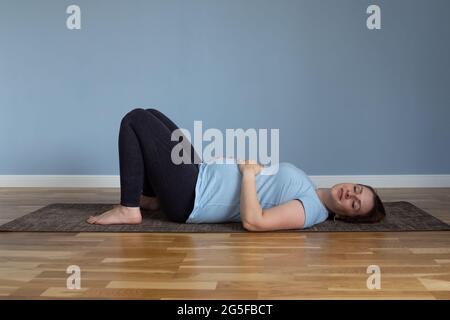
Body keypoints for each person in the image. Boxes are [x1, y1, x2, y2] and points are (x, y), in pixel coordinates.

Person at [87, 108, 386, 231]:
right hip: (200, 175)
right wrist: (238, 168)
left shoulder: (311, 211)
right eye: (356, 189)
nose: (350, 194)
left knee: (135, 120)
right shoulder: (311, 186)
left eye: (354, 204)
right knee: (152, 115)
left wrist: (249, 173)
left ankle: (130, 208)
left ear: (346, 215)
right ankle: (153, 200)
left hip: (192, 198)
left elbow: (255, 221)